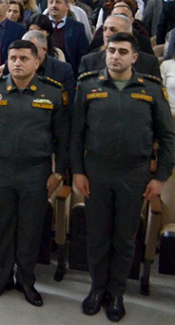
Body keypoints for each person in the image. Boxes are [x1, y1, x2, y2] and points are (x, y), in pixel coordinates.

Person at [72, 32, 175, 321]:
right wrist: (77, 171)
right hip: (97, 172)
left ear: (134, 57)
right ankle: (97, 289)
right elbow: (76, 134)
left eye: (122, 51)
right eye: (111, 50)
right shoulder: (88, 85)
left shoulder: (151, 89)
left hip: (134, 174)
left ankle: (116, 292)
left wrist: (160, 177)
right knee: (97, 235)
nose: (115, 56)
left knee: (124, 238)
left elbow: (167, 137)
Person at [0, 40, 69, 307]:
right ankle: (2, 277)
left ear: (37, 62)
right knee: (2, 226)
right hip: (1, 168)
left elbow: (64, 138)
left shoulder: (53, 93)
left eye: (24, 58)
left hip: (36, 171)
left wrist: (59, 172)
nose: (17, 63)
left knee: (30, 228)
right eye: (13, 58)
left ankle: (26, 280)